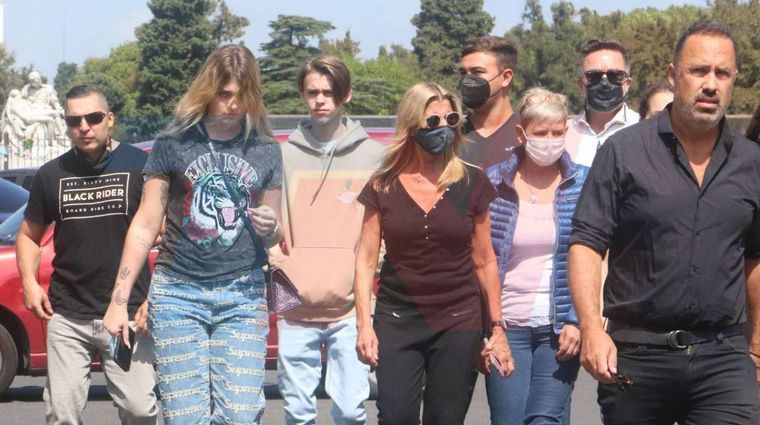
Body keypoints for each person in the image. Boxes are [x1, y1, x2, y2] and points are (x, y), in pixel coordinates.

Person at [569, 20, 760, 424]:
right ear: (674, 75)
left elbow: (755, 258)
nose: (711, 84)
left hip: (723, 358)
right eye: (699, 70)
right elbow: (586, 243)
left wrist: (758, 342)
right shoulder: (623, 152)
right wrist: (591, 328)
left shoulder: (751, 163)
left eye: (722, 73)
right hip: (637, 355)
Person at [102, 44, 283, 424]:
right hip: (177, 292)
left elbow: (274, 231)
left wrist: (271, 226)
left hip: (243, 293)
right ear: (207, 90)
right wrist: (119, 300)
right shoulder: (174, 143)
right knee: (186, 417)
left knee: (241, 415)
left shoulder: (266, 148)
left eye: (242, 95)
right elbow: (146, 222)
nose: (233, 105)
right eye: (224, 94)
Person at [354, 82, 513, 425]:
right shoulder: (383, 185)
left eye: (451, 119)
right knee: (395, 416)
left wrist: (497, 326)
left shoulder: (472, 182)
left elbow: (485, 260)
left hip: (458, 318)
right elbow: (365, 260)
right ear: (411, 127)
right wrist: (363, 325)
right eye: (432, 121)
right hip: (397, 318)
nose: (443, 128)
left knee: (446, 417)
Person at [15, 85, 158, 425]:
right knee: (62, 414)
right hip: (68, 314)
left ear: (110, 118)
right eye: (74, 120)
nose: (84, 127)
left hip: (127, 314)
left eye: (93, 118)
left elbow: (169, 235)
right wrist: (29, 284)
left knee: (140, 410)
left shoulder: (141, 165)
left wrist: (155, 297)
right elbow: (28, 237)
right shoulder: (51, 174)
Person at [273, 55, 385, 424]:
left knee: (351, 412)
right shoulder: (282, 155)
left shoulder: (374, 156)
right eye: (312, 92)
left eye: (328, 92)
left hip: (353, 305)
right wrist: (277, 259)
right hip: (293, 302)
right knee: (297, 413)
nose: (320, 100)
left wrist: (373, 263)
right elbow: (268, 221)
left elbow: (383, 225)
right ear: (302, 95)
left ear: (346, 94)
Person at [485, 88, 588, 425]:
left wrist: (577, 319)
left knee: (544, 419)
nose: (549, 141)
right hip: (506, 327)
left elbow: (593, 256)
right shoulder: (494, 182)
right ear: (521, 133)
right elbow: (481, 258)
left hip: (558, 329)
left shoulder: (583, 183)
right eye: (541, 133)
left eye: (558, 132)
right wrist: (489, 327)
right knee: (509, 420)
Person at [565, 39, 639, 167]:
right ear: (581, 85)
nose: (604, 83)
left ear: (627, 84)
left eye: (615, 75)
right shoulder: (562, 132)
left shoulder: (643, 128)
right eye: (593, 76)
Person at [458, 36, 521, 169]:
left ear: (506, 77)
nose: (467, 80)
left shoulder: (529, 134)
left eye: (477, 72)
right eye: (463, 73)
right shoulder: (451, 135)